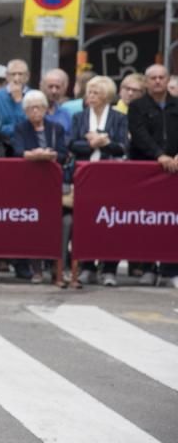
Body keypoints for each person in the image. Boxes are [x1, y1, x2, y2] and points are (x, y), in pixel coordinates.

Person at [68, 75, 127, 286]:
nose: (90, 96)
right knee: (84, 222)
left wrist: (105, 142)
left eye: (95, 93)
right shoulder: (79, 117)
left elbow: (122, 147)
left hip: (111, 176)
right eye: (89, 92)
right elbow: (72, 144)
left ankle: (109, 268)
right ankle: (87, 266)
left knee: (110, 221)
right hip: (85, 175)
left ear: (106, 96)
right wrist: (92, 145)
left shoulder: (118, 118)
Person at [9, 90, 67, 284]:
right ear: (25, 111)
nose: (35, 111)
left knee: (53, 224)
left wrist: (49, 154)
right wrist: (33, 154)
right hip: (30, 182)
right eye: (31, 108)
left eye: (39, 107)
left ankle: (54, 268)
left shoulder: (55, 128)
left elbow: (63, 153)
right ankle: (36, 269)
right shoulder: (21, 128)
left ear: (45, 109)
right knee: (34, 224)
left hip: (52, 181)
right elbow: (18, 151)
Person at [128, 64, 178, 287]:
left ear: (168, 80)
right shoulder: (137, 106)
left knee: (171, 221)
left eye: (161, 77)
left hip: (174, 171)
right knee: (147, 218)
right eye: (153, 78)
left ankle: (169, 270)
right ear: (146, 82)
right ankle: (147, 267)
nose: (158, 81)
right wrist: (159, 155)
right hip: (147, 169)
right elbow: (138, 134)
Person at [0, 58, 30, 154]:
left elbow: (33, 126)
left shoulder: (34, 96)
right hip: (2, 147)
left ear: (27, 76)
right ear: (7, 76)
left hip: (28, 149)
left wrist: (19, 102)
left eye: (20, 74)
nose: (16, 78)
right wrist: (18, 130)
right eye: (13, 74)